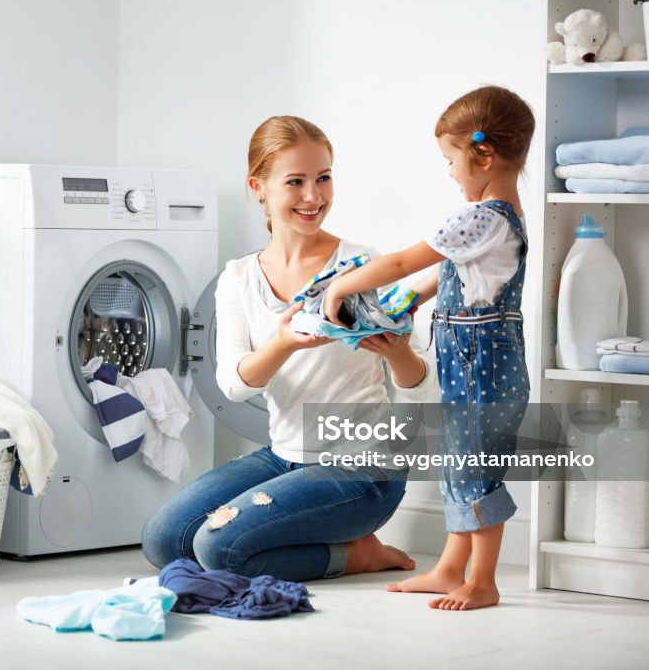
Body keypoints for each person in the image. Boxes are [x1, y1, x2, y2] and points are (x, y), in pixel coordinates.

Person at [140, 115, 437, 582]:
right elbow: (235, 385)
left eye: (323, 178)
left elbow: (422, 386)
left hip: (364, 468)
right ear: (258, 186)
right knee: (164, 540)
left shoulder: (362, 265)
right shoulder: (239, 277)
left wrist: (396, 351)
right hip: (284, 455)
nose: (313, 197)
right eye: (295, 182)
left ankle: (357, 553)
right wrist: (282, 342)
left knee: (216, 548)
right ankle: (335, 544)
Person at [320, 85, 535, 610]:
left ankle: (482, 581)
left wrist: (340, 287)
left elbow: (401, 262)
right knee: (460, 462)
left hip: (482, 364)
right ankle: (448, 569)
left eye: (450, 160)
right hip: (479, 359)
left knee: (475, 468)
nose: (450, 173)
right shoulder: (501, 216)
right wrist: (411, 300)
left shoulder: (480, 218)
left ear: (481, 154)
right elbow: (449, 275)